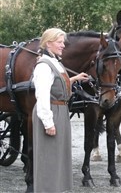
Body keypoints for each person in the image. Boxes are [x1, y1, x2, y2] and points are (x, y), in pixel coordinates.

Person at [32, 28, 89, 192]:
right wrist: (48, 123)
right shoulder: (43, 66)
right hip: (51, 112)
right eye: (60, 42)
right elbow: (42, 95)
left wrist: (75, 79)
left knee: (58, 157)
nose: (63, 45)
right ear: (48, 43)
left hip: (60, 111)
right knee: (49, 158)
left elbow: (56, 85)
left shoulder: (55, 62)